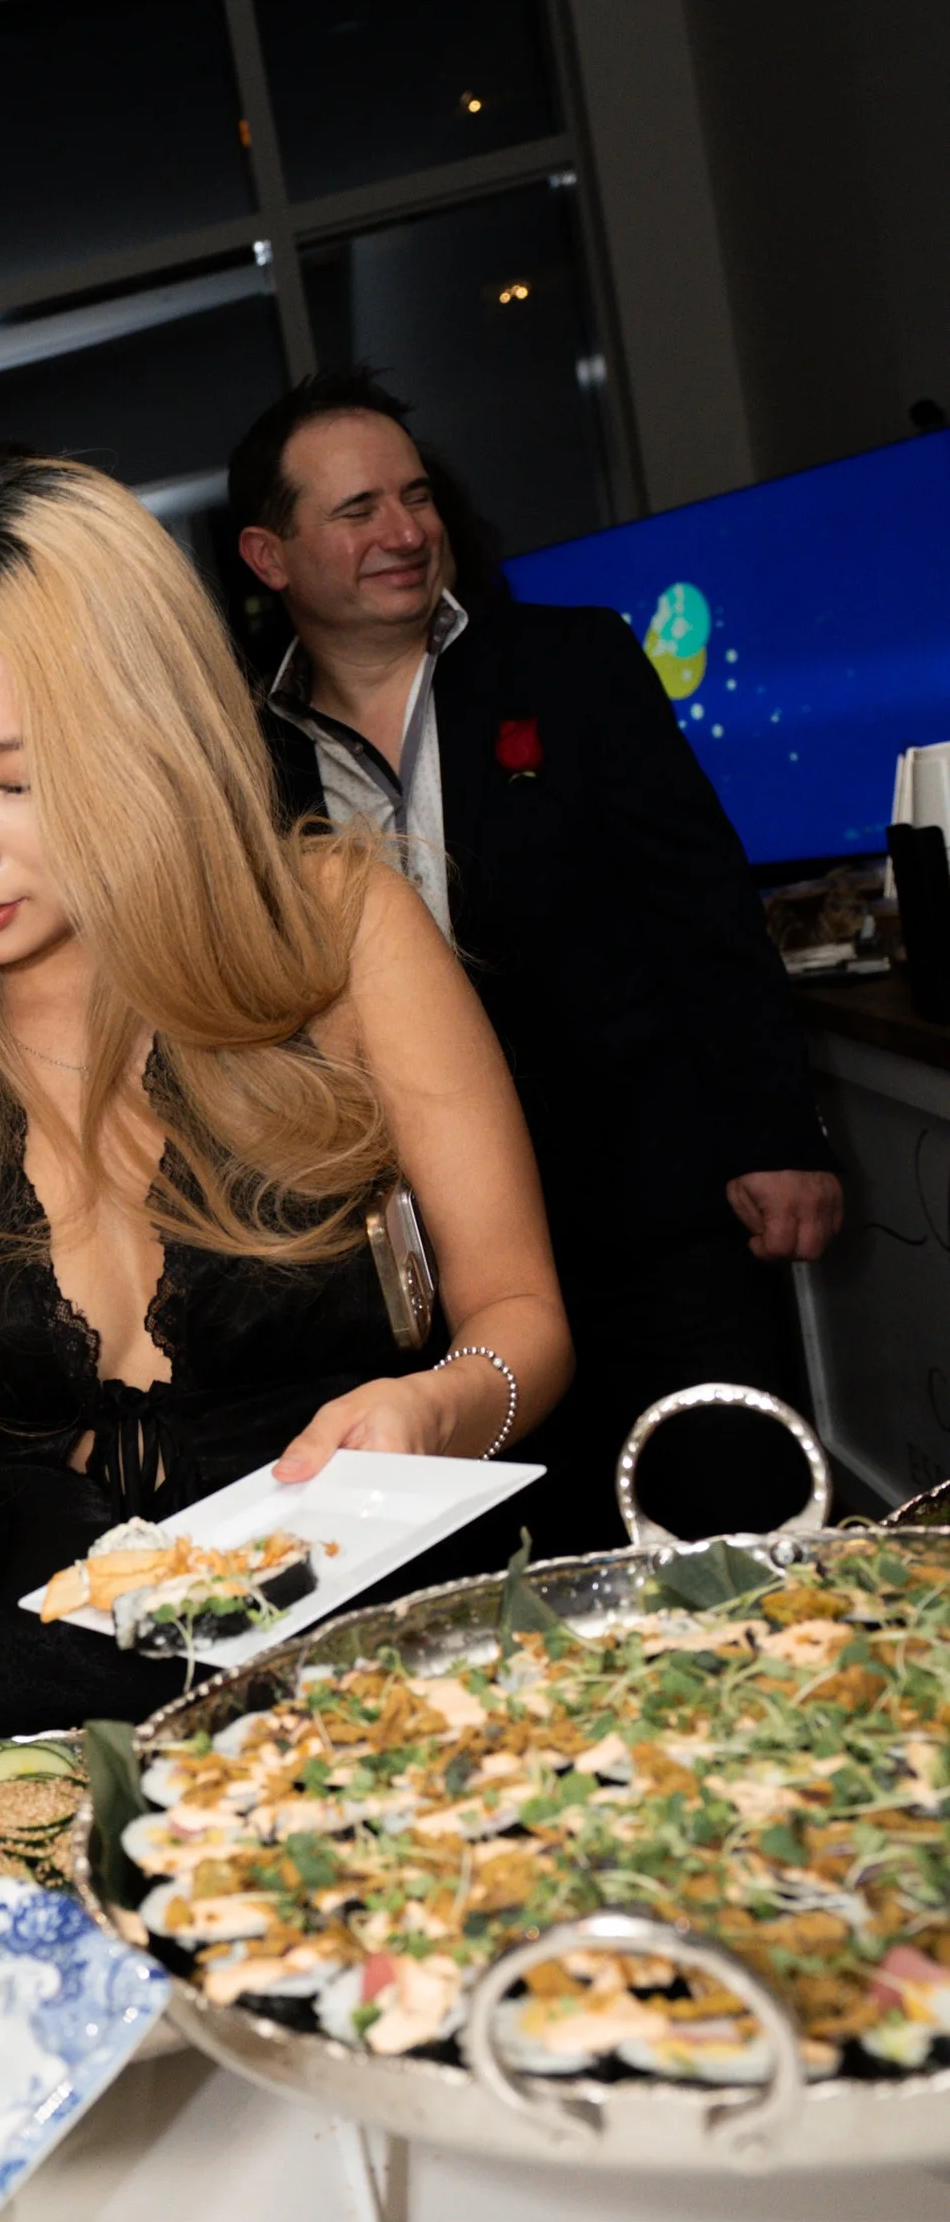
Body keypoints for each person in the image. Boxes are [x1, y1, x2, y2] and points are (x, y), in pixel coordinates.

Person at [0, 450, 569, 1749]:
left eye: (18, 781)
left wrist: (440, 1409)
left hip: (387, 1686)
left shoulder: (337, 935)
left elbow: (522, 1316)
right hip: (52, 1740)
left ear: (146, 738)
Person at [231, 366, 841, 1550]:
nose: (405, 531)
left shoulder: (573, 665)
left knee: (743, 1550)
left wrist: (777, 1133)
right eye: (357, 510)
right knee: (539, 1575)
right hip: (435, 1283)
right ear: (269, 556)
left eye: (415, 497)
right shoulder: (245, 764)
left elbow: (702, 907)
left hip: (656, 1219)